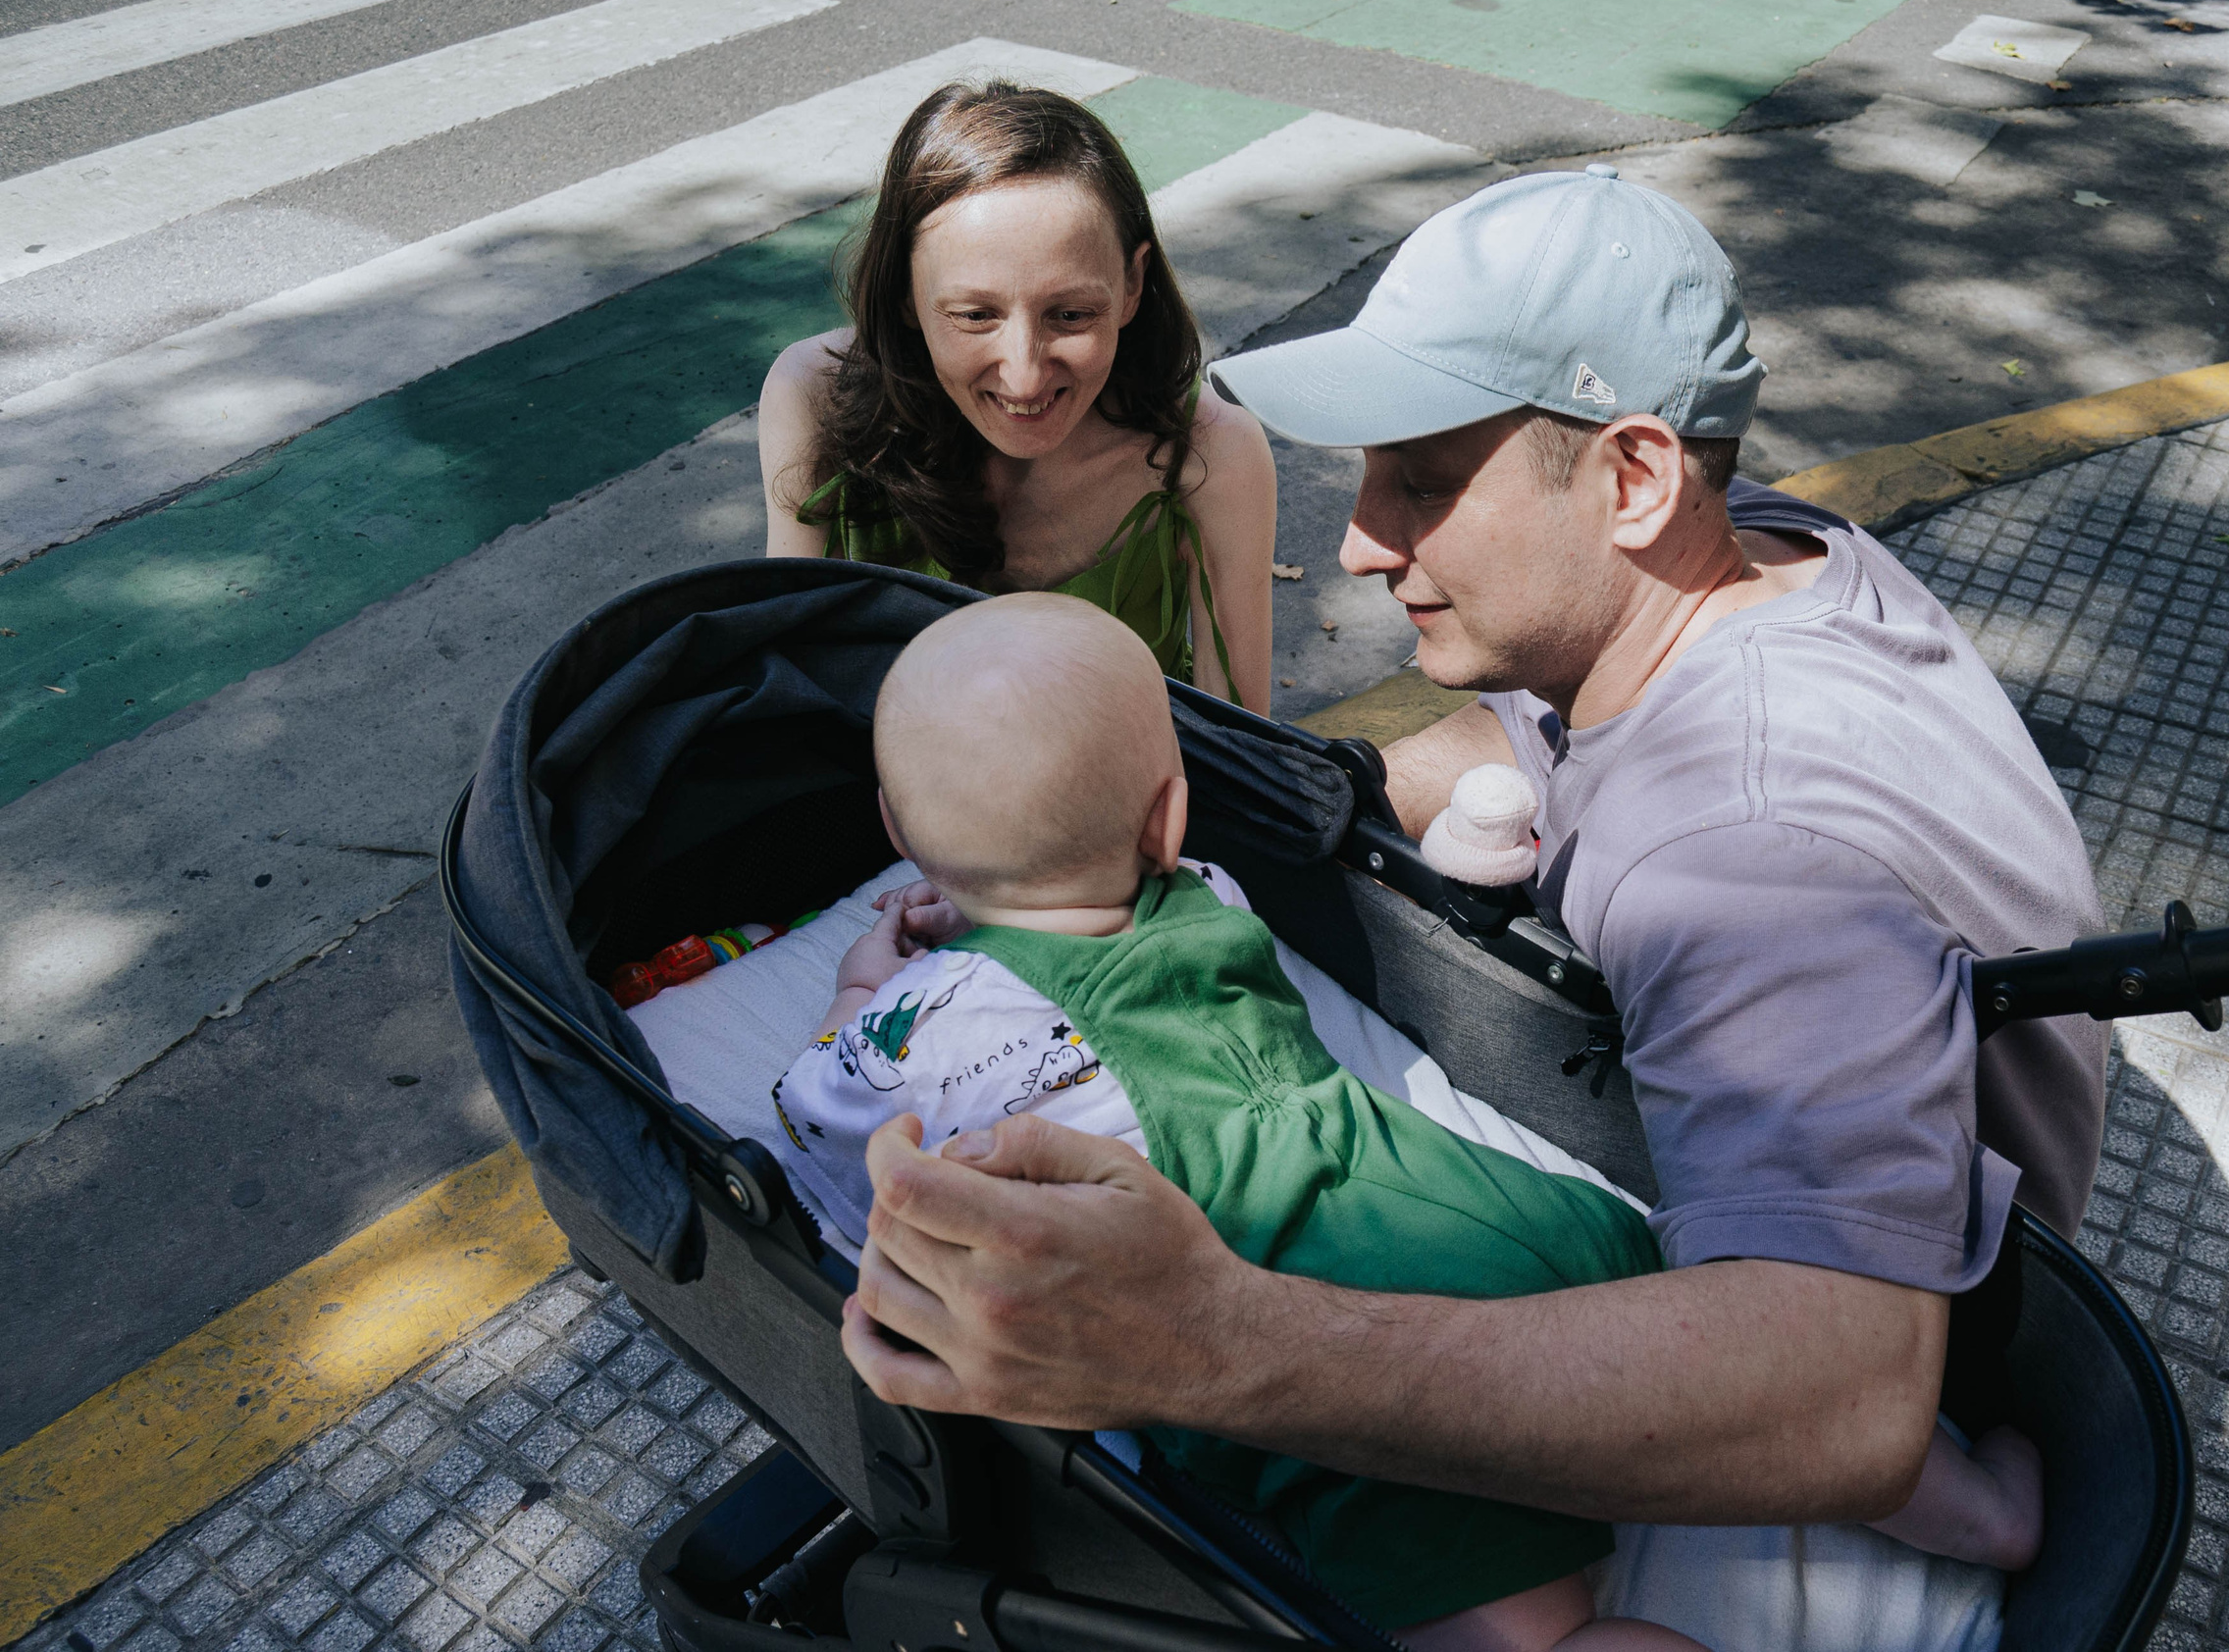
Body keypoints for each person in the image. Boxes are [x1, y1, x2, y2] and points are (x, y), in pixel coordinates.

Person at [834, 170, 2111, 1649]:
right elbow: (1533, 730)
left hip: (1886, 1309)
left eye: (1426, 481)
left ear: (1632, 475)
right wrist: (1313, 794)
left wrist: (1211, 1342)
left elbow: (1845, 1398)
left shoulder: (1748, 852)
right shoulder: (1738, 545)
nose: (1366, 542)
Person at [761, 591, 1705, 1652]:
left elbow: (812, 1108)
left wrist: (859, 993)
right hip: (1518, 1217)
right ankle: (1908, 1494)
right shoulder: (1209, 892)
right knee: (1713, 1378)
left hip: (1333, 1332)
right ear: (1167, 819)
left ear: (895, 829)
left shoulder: (917, 1028)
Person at [756, 81, 1275, 710]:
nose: (1025, 377)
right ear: (904, 295)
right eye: (975, 316)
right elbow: (787, 696)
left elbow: (1243, 743)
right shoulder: (813, 395)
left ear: (1133, 284)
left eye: (1072, 314)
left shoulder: (1209, 452)